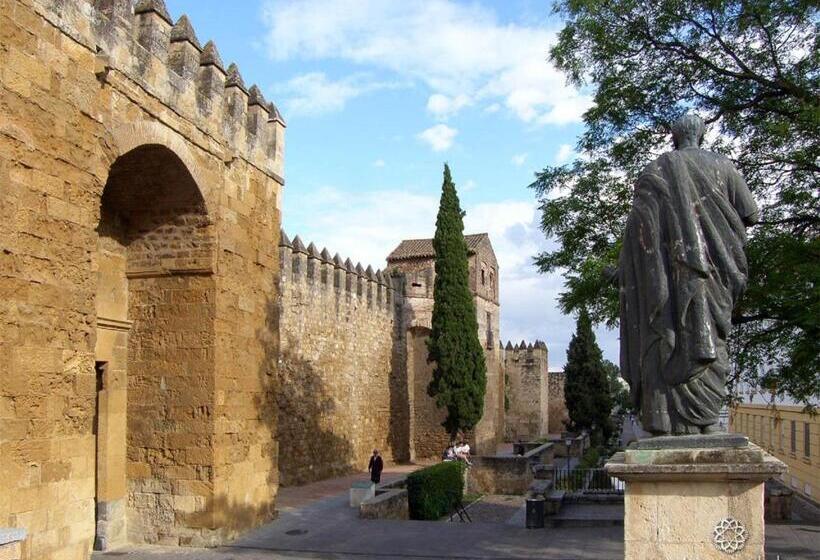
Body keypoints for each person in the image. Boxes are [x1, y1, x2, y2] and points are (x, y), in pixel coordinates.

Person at [618, 114, 759, 436]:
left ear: (674, 136)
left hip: (667, 277)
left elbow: (638, 230)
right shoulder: (723, 166)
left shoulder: (656, 170)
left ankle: (663, 423)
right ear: (702, 135)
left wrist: (628, 270)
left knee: (666, 335)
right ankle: (707, 421)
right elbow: (750, 213)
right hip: (716, 271)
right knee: (709, 339)